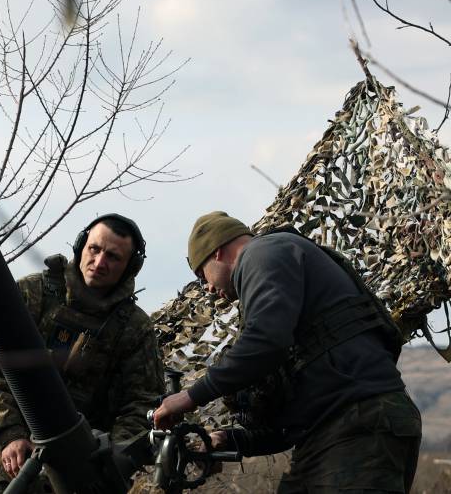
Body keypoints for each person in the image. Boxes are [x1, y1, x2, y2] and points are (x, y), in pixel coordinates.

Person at [153, 211, 422, 493]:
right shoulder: (275, 270)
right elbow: (290, 425)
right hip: (334, 431)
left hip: (361, 426)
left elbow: (265, 342)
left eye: (201, 275)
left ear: (217, 251)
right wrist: (229, 439)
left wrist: (189, 397)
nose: (207, 287)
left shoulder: (263, 253)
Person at [0, 214, 165, 492]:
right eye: (94, 250)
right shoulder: (33, 293)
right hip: (13, 462)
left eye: (113, 257)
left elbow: (142, 403)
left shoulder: (134, 328)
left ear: (130, 267)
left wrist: (112, 457)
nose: (99, 263)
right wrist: (8, 433)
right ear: (81, 246)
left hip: (80, 472)